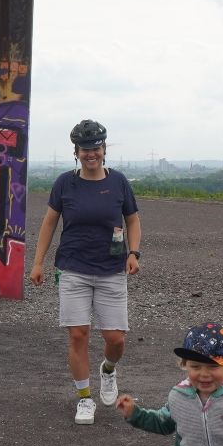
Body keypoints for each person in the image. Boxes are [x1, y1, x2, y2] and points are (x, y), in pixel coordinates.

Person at [29, 118, 141, 424]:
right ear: (76, 152)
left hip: (111, 268)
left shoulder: (118, 182)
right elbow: (50, 222)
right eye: (84, 149)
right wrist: (38, 262)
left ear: (104, 149)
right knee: (78, 334)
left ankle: (107, 370)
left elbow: (132, 219)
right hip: (73, 267)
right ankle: (84, 398)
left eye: (96, 148)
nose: (90, 153)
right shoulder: (65, 183)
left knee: (115, 338)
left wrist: (133, 252)